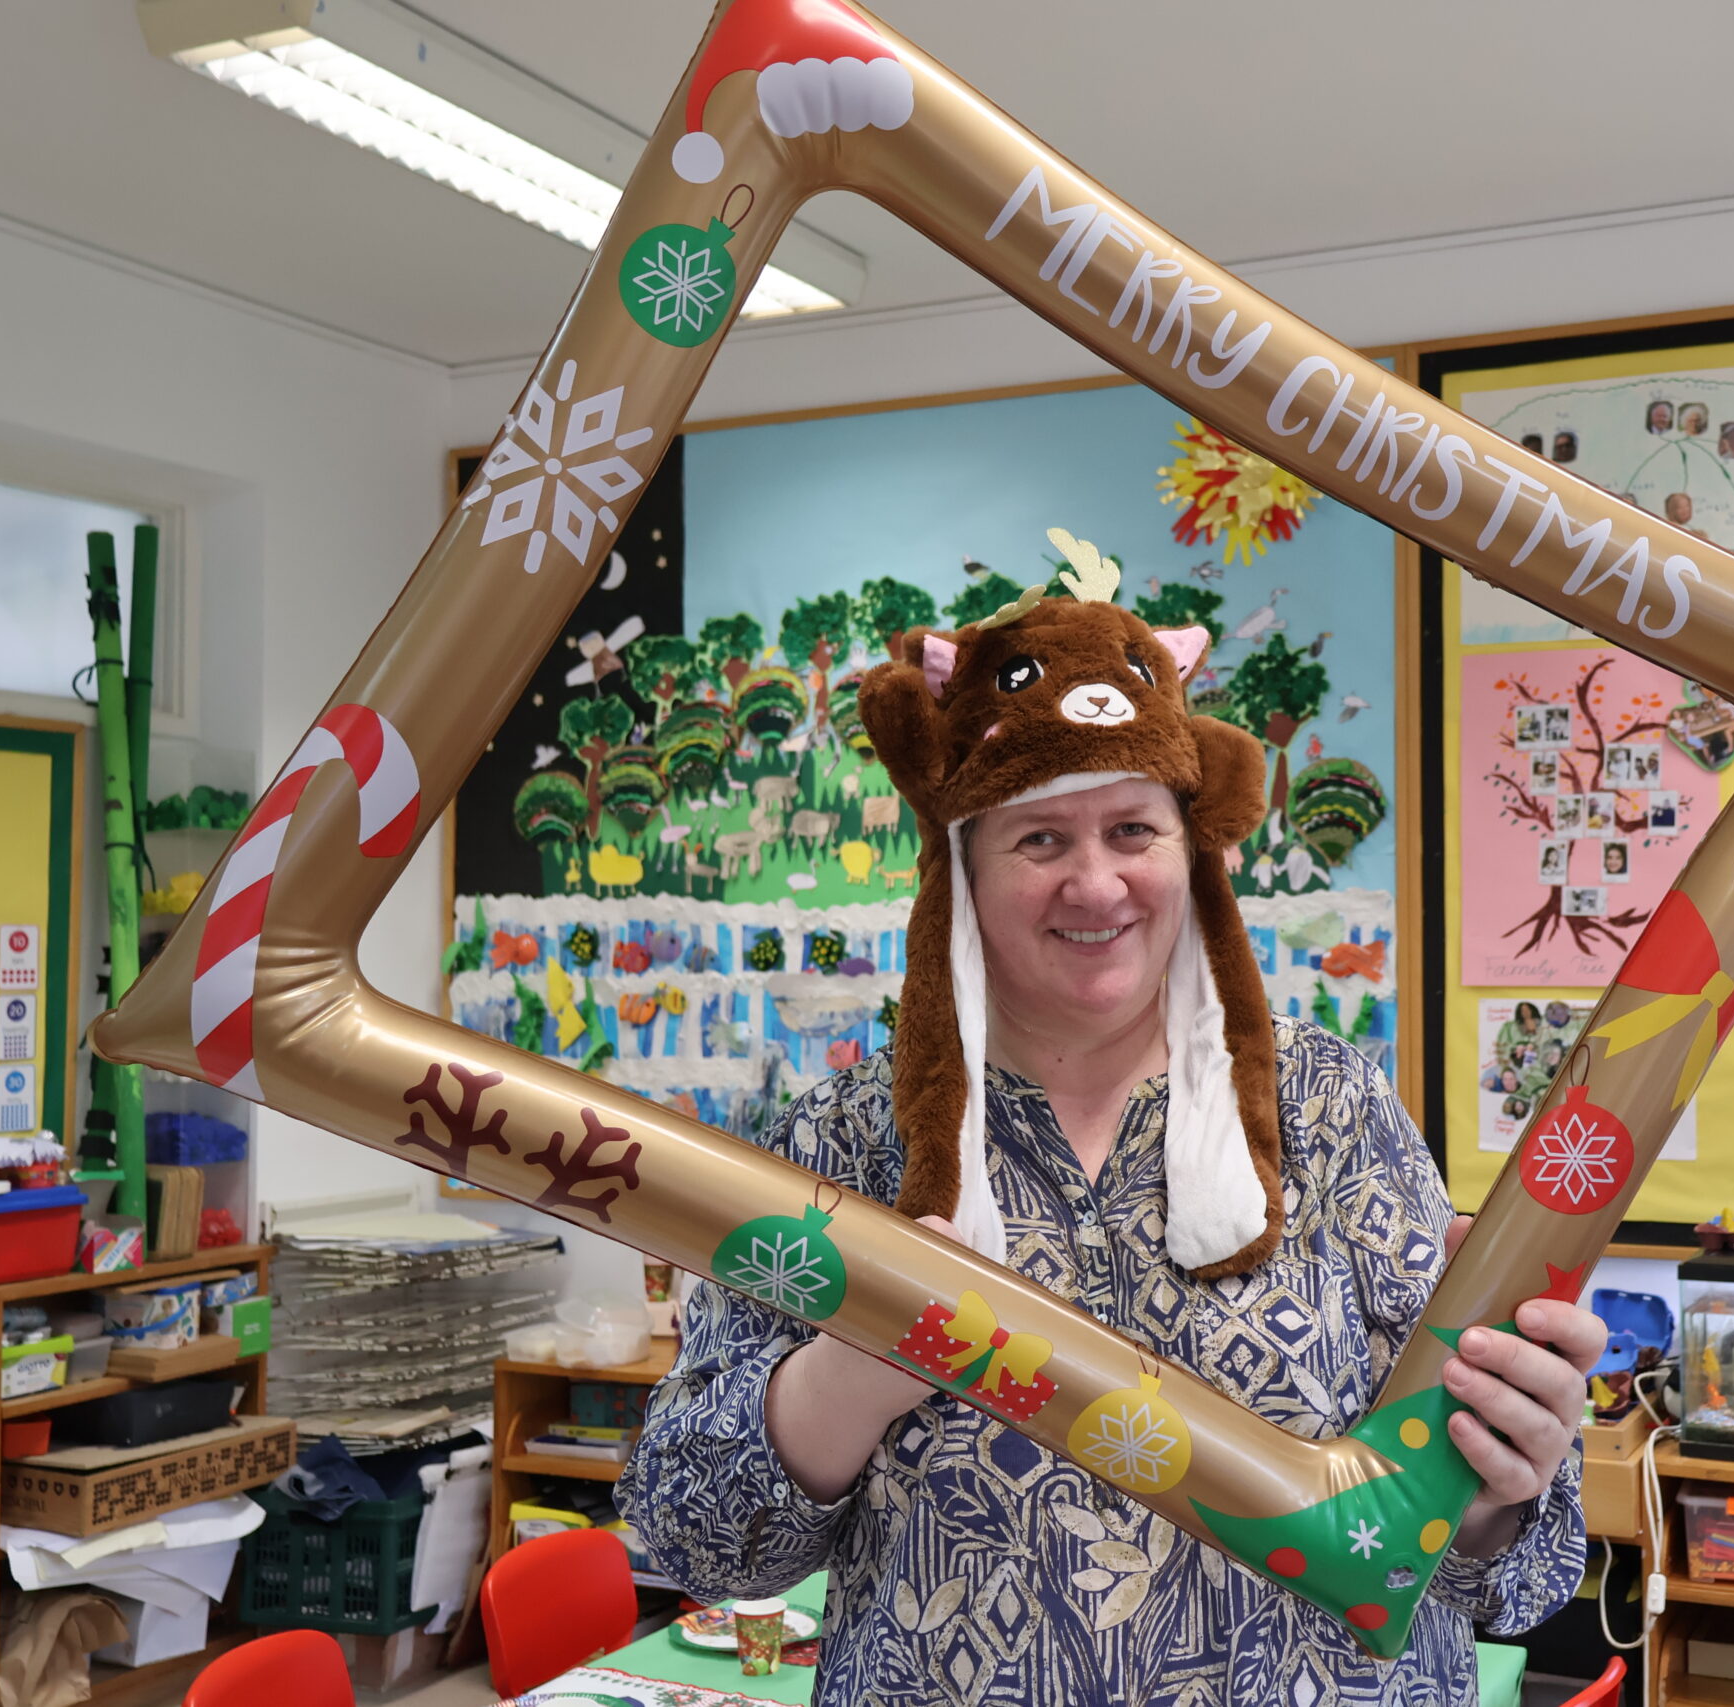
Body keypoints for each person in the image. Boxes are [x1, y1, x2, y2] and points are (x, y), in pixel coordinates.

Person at [621, 554, 1597, 1703]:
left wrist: (1494, 1489)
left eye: (1132, 830)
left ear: (1191, 854)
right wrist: (857, 1366)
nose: (1094, 885)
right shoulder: (841, 1143)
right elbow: (692, 1540)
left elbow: (1510, 1581)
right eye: (1038, 839)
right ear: (962, 870)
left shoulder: (1331, 1109)